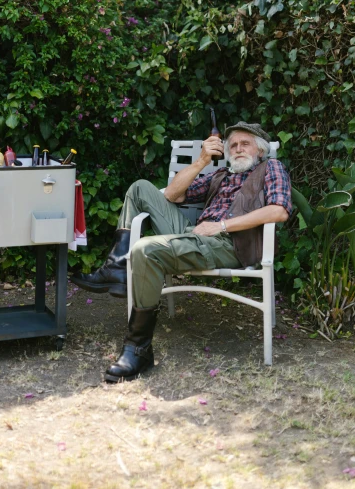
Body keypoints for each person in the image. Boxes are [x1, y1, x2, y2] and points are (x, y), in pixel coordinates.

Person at [71, 122, 292, 382]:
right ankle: (117, 267)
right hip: (194, 235)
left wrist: (221, 225)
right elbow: (174, 195)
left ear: (261, 150)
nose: (238, 148)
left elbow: (279, 210)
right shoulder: (221, 175)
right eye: (233, 145)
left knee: (145, 249)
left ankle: (138, 349)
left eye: (245, 144)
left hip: (228, 243)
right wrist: (201, 161)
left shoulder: (271, 168)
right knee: (140, 187)